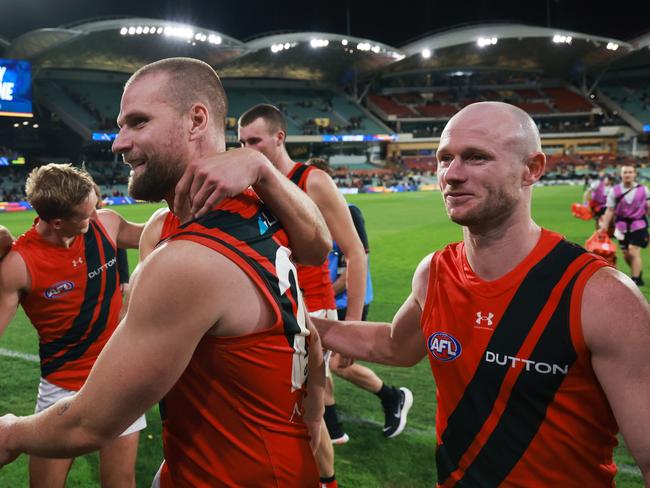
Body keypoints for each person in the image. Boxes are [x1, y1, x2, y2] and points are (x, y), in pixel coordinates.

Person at [0, 57, 328, 487]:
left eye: (137, 122)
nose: (118, 142)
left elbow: (88, 425)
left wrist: (9, 432)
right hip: (224, 463)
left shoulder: (189, 260)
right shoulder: (247, 209)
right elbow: (317, 251)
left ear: (196, 120)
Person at [312, 102, 650, 486]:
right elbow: (396, 345)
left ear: (532, 169)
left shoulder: (600, 296)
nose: (452, 175)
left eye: (476, 158)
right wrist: (305, 324)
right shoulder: (435, 272)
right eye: (444, 158)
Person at [0, 163, 146, 488]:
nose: (95, 216)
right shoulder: (19, 265)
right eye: (86, 214)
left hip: (118, 378)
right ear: (57, 222)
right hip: (60, 390)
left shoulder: (105, 224)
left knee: (120, 483)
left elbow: (157, 233)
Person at [308, 157, 413, 443]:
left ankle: (390, 398)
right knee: (327, 362)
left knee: (334, 363)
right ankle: (334, 425)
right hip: (328, 298)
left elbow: (355, 262)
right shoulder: (311, 211)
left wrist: (320, 292)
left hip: (346, 298)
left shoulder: (348, 213)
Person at [600, 165, 649, 286]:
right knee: (626, 254)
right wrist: (604, 227)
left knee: (633, 250)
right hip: (621, 226)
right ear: (621, 175)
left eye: (630, 172)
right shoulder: (614, 191)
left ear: (634, 174)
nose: (627, 174)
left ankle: (635, 279)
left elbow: (648, 207)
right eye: (625, 172)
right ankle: (637, 271)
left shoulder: (644, 189)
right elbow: (610, 210)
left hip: (639, 224)